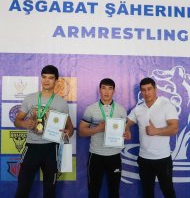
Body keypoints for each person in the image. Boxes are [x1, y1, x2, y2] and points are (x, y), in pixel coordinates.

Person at [14, 65, 74, 198]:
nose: (46, 81)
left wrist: (66, 133)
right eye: (44, 77)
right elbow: (17, 121)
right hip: (32, 148)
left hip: (51, 149)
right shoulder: (30, 98)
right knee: (22, 188)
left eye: (50, 78)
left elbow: (70, 128)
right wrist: (24, 123)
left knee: (50, 191)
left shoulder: (61, 103)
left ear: (56, 81)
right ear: (41, 79)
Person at [123, 77, 178, 198]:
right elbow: (128, 122)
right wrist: (126, 128)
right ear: (141, 92)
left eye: (149, 89)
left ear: (155, 89)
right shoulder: (138, 109)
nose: (146, 93)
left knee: (168, 191)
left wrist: (156, 131)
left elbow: (174, 128)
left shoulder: (166, 105)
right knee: (147, 193)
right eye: (143, 90)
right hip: (144, 159)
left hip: (162, 159)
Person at [79, 78, 127, 198]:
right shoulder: (90, 109)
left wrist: (127, 134)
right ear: (99, 90)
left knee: (114, 192)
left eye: (110, 88)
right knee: (94, 191)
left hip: (114, 155)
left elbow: (126, 131)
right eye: (104, 88)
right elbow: (81, 131)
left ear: (114, 91)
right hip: (96, 155)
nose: (106, 91)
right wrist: (98, 129)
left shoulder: (121, 109)